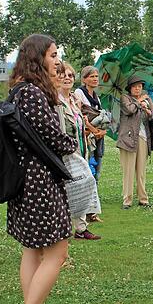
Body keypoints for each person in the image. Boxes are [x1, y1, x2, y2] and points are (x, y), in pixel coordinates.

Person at [7, 34, 78, 304]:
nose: (56, 61)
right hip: (38, 182)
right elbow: (51, 136)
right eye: (51, 55)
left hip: (28, 180)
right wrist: (73, 141)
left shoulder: (20, 91)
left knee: (32, 250)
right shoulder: (31, 94)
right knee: (57, 252)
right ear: (37, 58)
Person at [56, 62, 100, 240]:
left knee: (82, 186)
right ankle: (65, 228)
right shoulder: (55, 102)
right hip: (65, 153)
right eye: (63, 75)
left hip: (80, 149)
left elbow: (81, 123)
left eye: (70, 75)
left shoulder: (75, 100)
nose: (67, 78)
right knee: (68, 190)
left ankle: (81, 228)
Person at [117, 75, 153, 208]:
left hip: (143, 138)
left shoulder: (147, 98)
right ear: (130, 88)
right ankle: (127, 200)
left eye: (140, 86)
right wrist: (139, 102)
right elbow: (129, 110)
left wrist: (148, 110)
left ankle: (143, 199)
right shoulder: (125, 98)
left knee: (141, 171)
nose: (137, 89)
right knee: (128, 171)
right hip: (127, 138)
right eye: (135, 86)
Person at [73, 65, 107, 223]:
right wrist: (94, 130)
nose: (95, 79)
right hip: (88, 138)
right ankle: (85, 210)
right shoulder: (79, 93)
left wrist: (101, 130)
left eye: (96, 76)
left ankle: (92, 211)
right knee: (88, 173)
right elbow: (81, 117)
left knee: (96, 172)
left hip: (98, 138)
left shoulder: (96, 97)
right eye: (92, 76)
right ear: (84, 78)